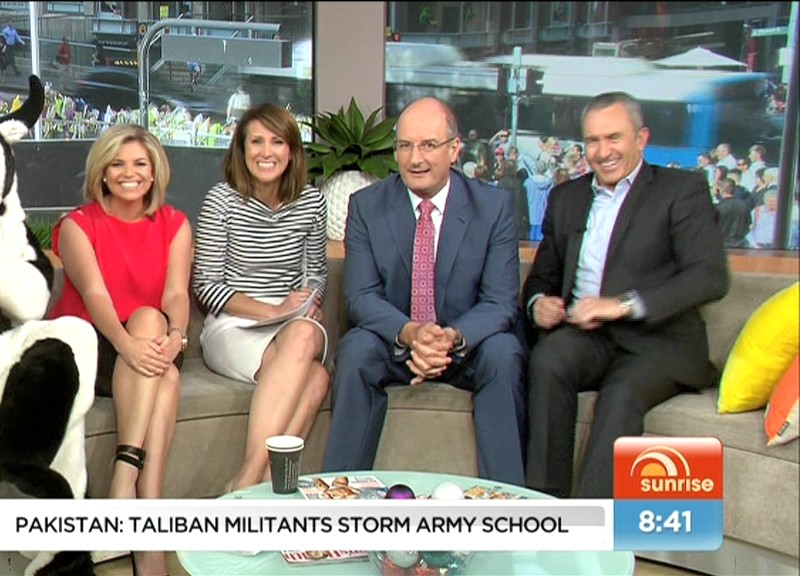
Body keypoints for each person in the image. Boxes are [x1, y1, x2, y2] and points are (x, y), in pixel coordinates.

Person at [522, 92, 729, 499]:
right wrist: (538, 304)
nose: (603, 152)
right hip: (588, 338)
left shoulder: (681, 189)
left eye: (613, 138)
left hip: (659, 341)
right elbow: (542, 277)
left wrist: (622, 305)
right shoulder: (567, 198)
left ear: (641, 137)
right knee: (547, 360)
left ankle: (591, 528)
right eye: (593, 141)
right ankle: (546, 507)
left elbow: (709, 277)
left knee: (621, 395)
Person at [321, 97, 526, 486]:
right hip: (397, 341)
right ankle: (341, 495)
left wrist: (450, 338)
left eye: (429, 145)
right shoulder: (366, 206)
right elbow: (362, 297)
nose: (415, 159)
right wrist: (412, 333)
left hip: (466, 346)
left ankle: (506, 500)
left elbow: (500, 302)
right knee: (356, 350)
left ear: (455, 149)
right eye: (405, 146)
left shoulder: (493, 207)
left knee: (505, 352)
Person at [49, 124, 192, 576]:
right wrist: (126, 344)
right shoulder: (78, 225)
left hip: (150, 343)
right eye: (118, 164)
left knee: (153, 325)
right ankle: (141, 507)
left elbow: (176, 294)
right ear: (103, 173)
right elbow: (95, 296)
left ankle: (128, 490)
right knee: (165, 370)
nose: (129, 173)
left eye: (139, 164)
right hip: (94, 346)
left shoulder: (175, 224)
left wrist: (178, 334)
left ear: (154, 171)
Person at [192, 102, 330, 491]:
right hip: (233, 324)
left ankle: (251, 480)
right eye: (256, 142)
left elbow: (316, 274)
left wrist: (308, 302)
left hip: (291, 325)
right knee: (316, 377)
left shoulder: (311, 202)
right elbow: (207, 286)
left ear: (292, 150)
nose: (266, 152)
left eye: (277, 141)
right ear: (241, 149)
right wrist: (272, 309)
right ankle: (259, 478)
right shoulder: (221, 200)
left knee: (305, 337)